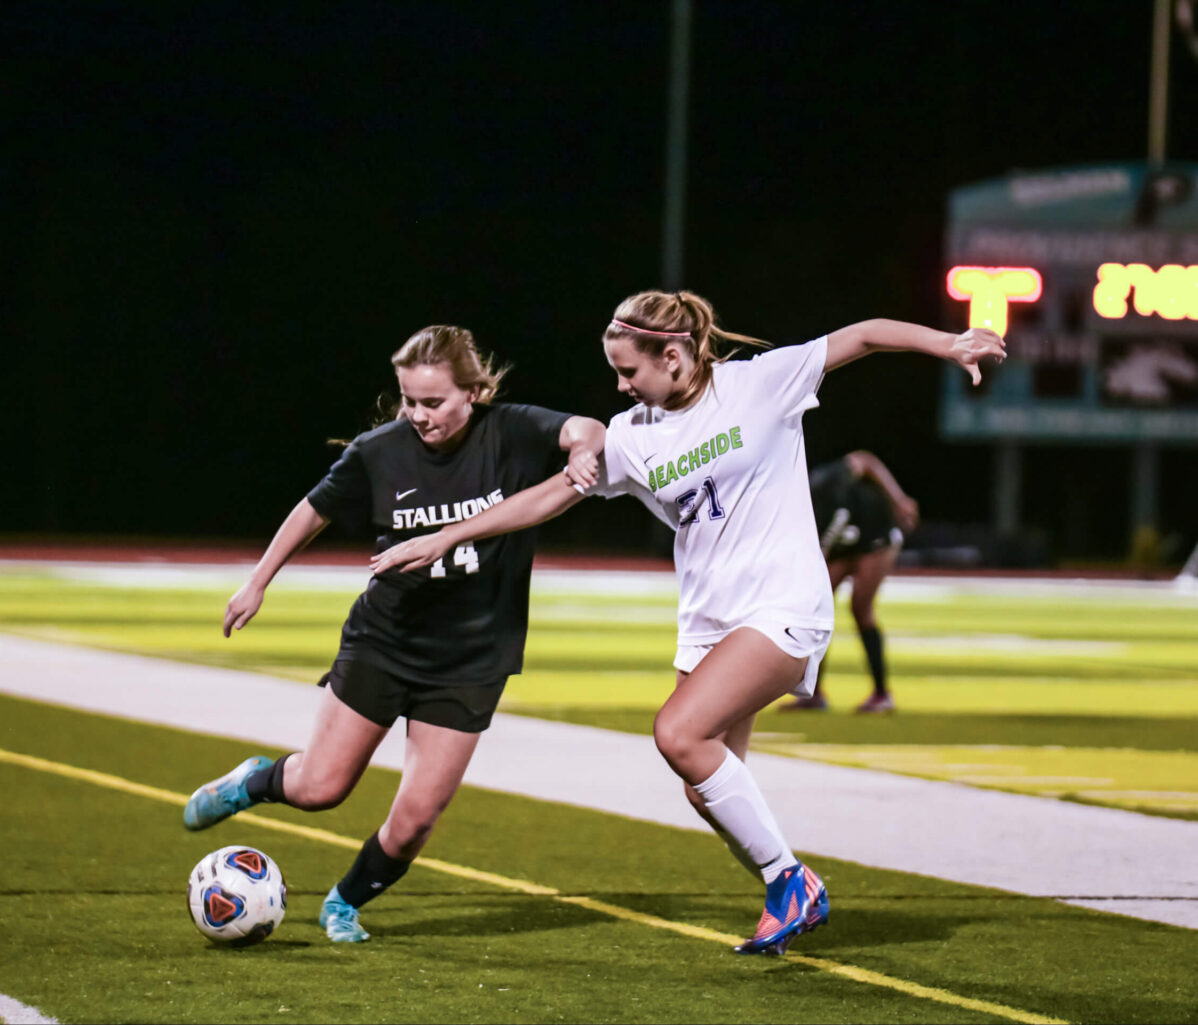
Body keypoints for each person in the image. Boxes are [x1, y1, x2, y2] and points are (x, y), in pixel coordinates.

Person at [370, 290, 1005, 956]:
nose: (619, 384)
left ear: (672, 355)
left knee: (677, 731)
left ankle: (791, 881)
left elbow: (866, 334)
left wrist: (947, 342)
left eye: (629, 370)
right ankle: (782, 883)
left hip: (782, 603)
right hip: (709, 620)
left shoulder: (759, 384)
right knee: (708, 786)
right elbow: (553, 494)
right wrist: (446, 537)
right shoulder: (633, 433)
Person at [182, 324, 604, 943]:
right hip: (386, 643)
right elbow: (314, 508)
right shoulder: (381, 450)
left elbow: (584, 428)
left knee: (414, 823)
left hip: (472, 659)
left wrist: (584, 450)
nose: (419, 415)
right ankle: (253, 780)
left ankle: (343, 902)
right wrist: (258, 581)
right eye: (409, 400)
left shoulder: (509, 429)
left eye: (433, 402)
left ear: (474, 391)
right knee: (320, 788)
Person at [784, 450, 920, 713]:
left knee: (860, 607)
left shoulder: (823, 482)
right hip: (843, 545)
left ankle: (882, 694)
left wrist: (899, 499)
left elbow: (865, 460)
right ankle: (813, 693)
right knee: (815, 609)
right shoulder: (796, 506)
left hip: (875, 536)